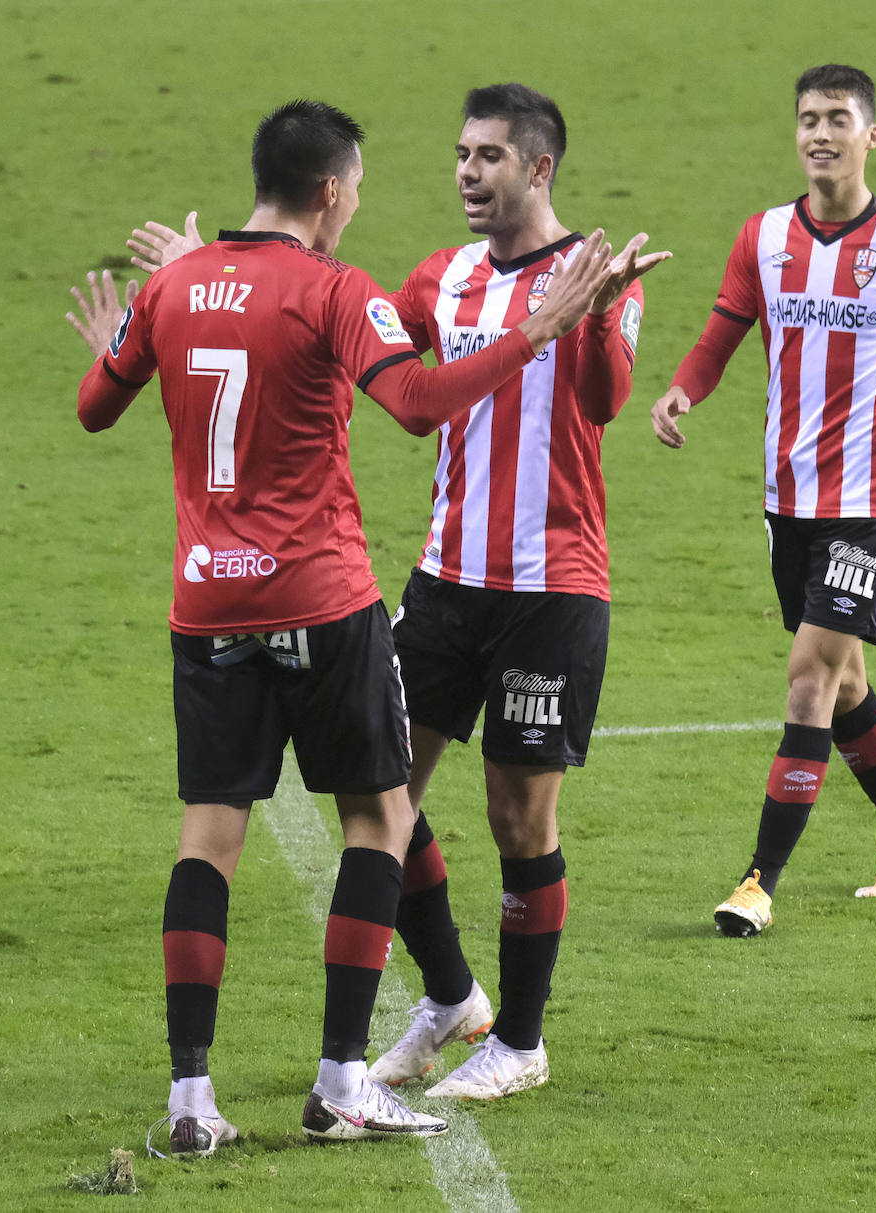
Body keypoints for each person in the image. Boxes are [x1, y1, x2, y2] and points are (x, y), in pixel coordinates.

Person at [65, 98, 616, 1155]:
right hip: (322, 601)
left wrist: (127, 332)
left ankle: (190, 1099)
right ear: (328, 192)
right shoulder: (333, 288)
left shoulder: (177, 285)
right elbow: (414, 404)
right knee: (379, 818)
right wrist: (536, 329)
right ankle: (341, 1082)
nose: (359, 204)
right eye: (357, 187)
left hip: (206, 604)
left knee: (207, 837)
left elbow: (97, 404)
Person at [650, 65, 876, 937]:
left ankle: (756, 882)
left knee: (809, 677)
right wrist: (681, 392)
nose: (821, 132)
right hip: (789, 496)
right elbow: (721, 334)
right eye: (808, 118)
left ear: (869, 136)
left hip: (870, 496)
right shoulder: (764, 236)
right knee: (845, 679)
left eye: (838, 119)